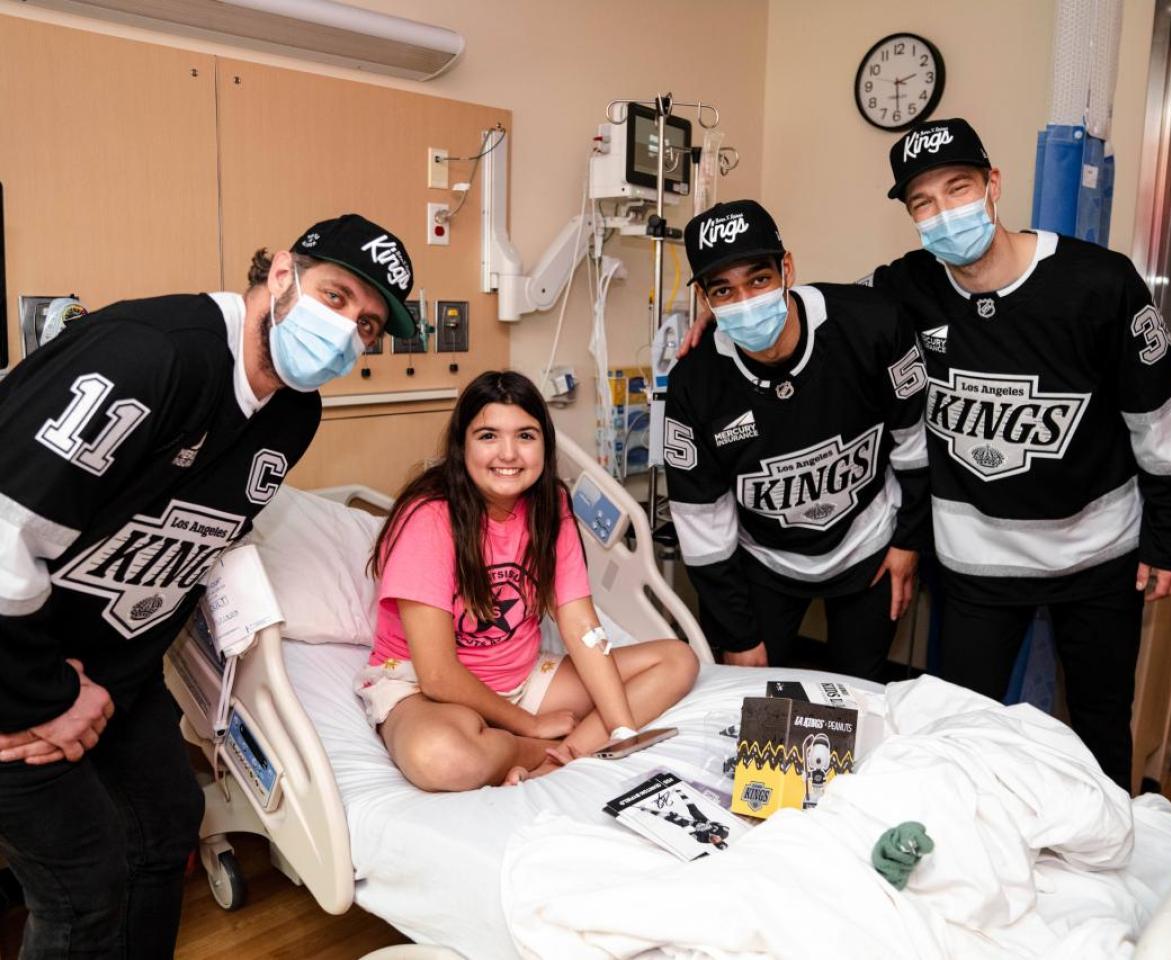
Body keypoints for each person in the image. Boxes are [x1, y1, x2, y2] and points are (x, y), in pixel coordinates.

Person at [0, 212, 416, 957]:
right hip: (15, 677)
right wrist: (48, 698)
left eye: (369, 326)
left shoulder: (294, 414)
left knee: (166, 829)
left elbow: (187, 550)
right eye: (337, 296)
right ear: (281, 274)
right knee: (84, 892)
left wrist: (107, 689)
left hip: (106, 679)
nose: (349, 331)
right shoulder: (152, 357)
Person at [864, 118, 1171, 789]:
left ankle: (1108, 861)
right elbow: (826, 324)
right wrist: (724, 324)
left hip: (1097, 552)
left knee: (1102, 721)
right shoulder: (907, 289)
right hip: (976, 558)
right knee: (960, 726)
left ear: (993, 185)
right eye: (923, 203)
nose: (943, 213)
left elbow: (1162, 419)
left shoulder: (1098, 285)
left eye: (957, 189)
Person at [359, 369, 699, 790]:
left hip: (521, 678)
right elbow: (438, 675)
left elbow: (580, 625)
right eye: (488, 436)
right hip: (426, 691)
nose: (509, 453)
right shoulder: (428, 520)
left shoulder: (550, 506)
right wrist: (530, 725)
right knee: (442, 758)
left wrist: (623, 730)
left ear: (544, 444)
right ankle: (535, 750)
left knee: (677, 661)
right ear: (461, 445)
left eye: (525, 435)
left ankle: (564, 758)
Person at [662, 199, 929, 676]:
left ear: (787, 268)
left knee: (859, 694)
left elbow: (914, 443)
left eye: (758, 280)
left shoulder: (867, 326)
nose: (745, 302)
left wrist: (908, 542)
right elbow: (703, 528)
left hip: (867, 543)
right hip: (763, 562)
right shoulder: (695, 384)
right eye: (724, 290)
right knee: (753, 705)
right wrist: (738, 635)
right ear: (704, 298)